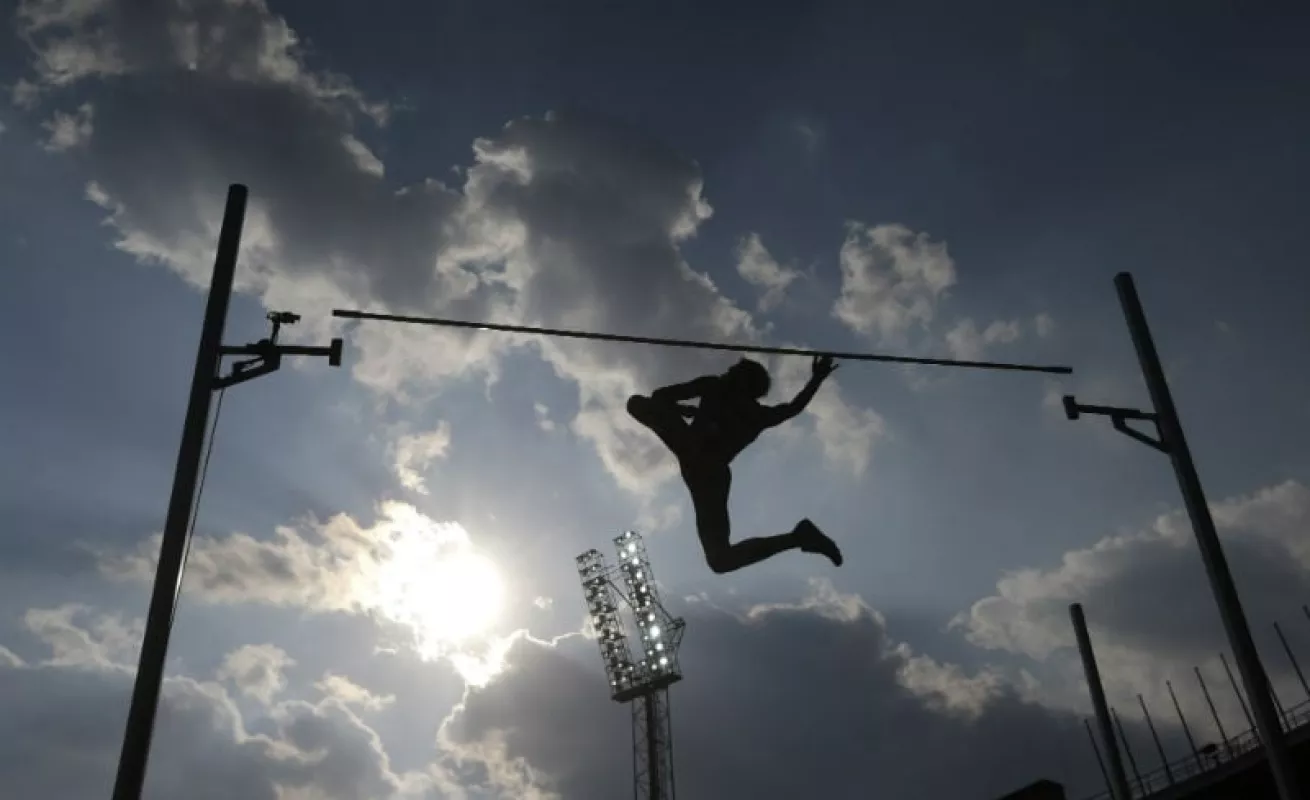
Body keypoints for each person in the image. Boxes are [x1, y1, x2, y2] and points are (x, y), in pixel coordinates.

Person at [626, 354, 844, 575]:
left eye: (733, 371)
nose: (727, 372)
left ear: (743, 380)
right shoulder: (751, 410)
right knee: (637, 404)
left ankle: (799, 537)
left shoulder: (720, 390)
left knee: (720, 561)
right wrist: (816, 378)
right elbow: (793, 407)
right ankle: (799, 537)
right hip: (701, 465)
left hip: (705, 469)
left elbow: (660, 397)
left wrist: (691, 411)